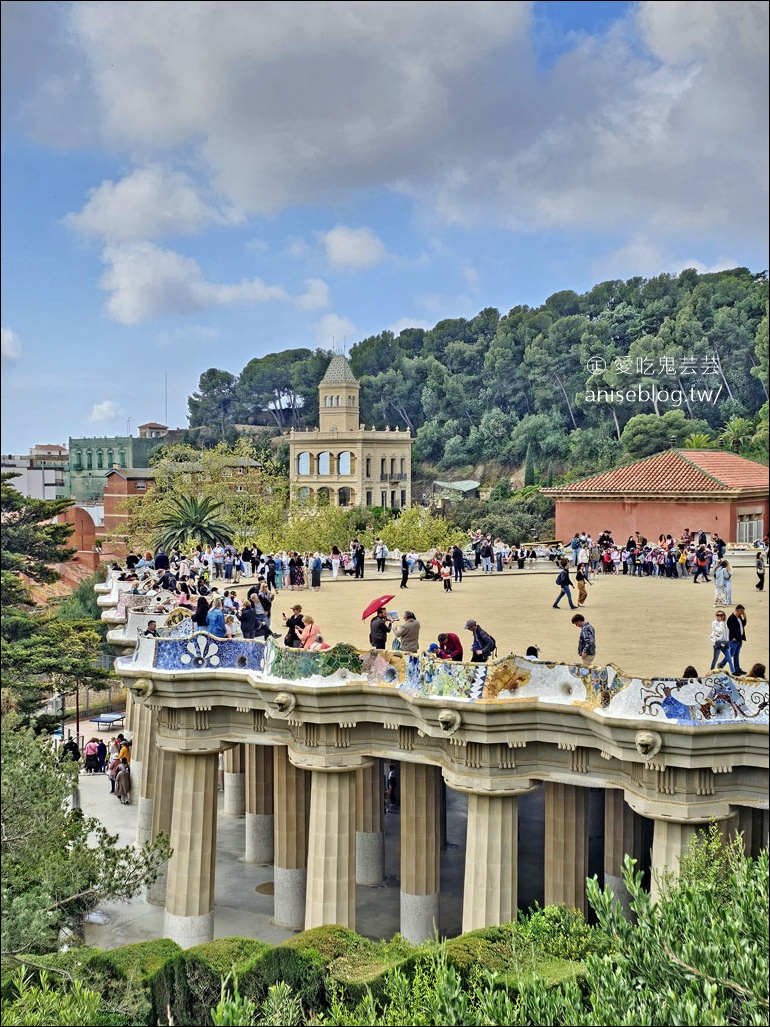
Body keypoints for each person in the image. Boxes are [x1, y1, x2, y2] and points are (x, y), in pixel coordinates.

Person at [726, 605, 747, 676]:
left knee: (736, 655)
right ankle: (721, 663)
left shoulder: (739, 617)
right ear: (738, 610)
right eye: (742, 611)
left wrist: (744, 617)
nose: (742, 613)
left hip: (739, 638)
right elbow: (731, 628)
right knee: (731, 654)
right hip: (734, 640)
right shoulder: (731, 618)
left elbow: (743, 625)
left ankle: (737, 669)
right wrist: (734, 637)